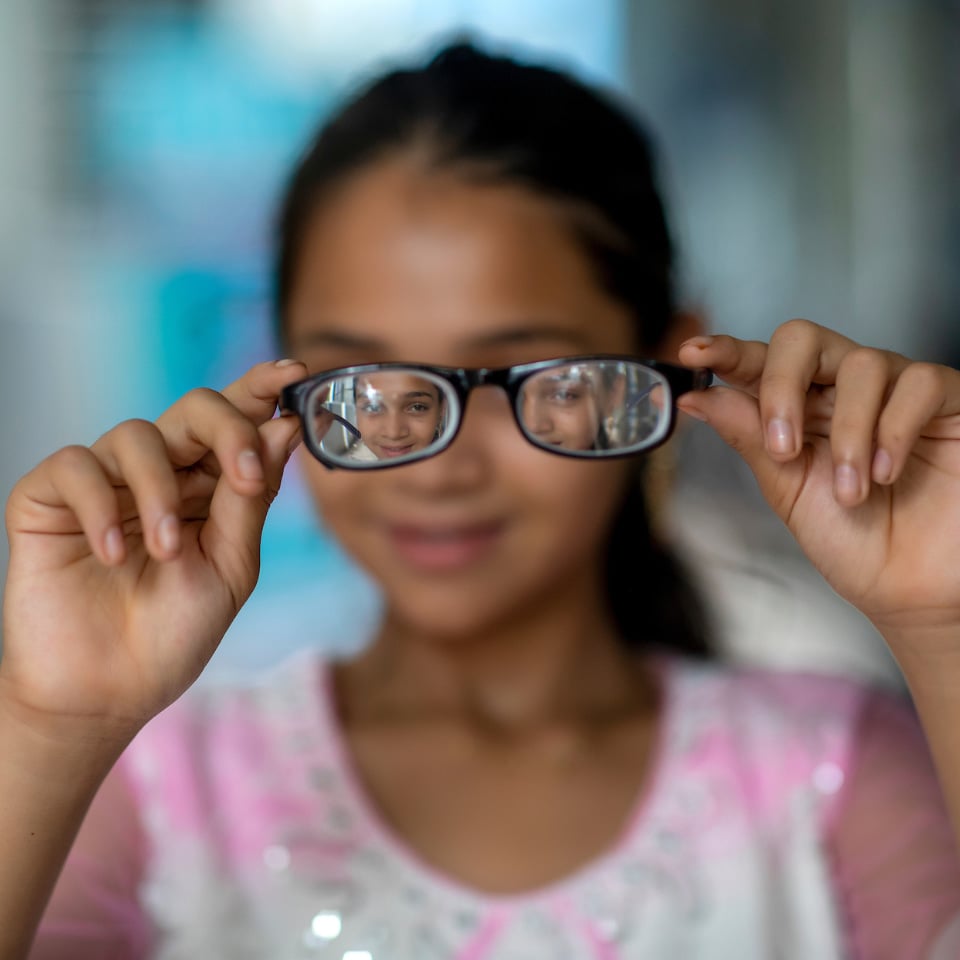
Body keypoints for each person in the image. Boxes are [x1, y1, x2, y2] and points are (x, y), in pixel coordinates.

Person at [3, 41, 960, 960]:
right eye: (367, 386)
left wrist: (946, 619)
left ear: (668, 367)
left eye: (529, 375)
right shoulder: (160, 791)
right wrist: (49, 725)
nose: (438, 466)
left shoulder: (833, 771)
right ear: (281, 382)